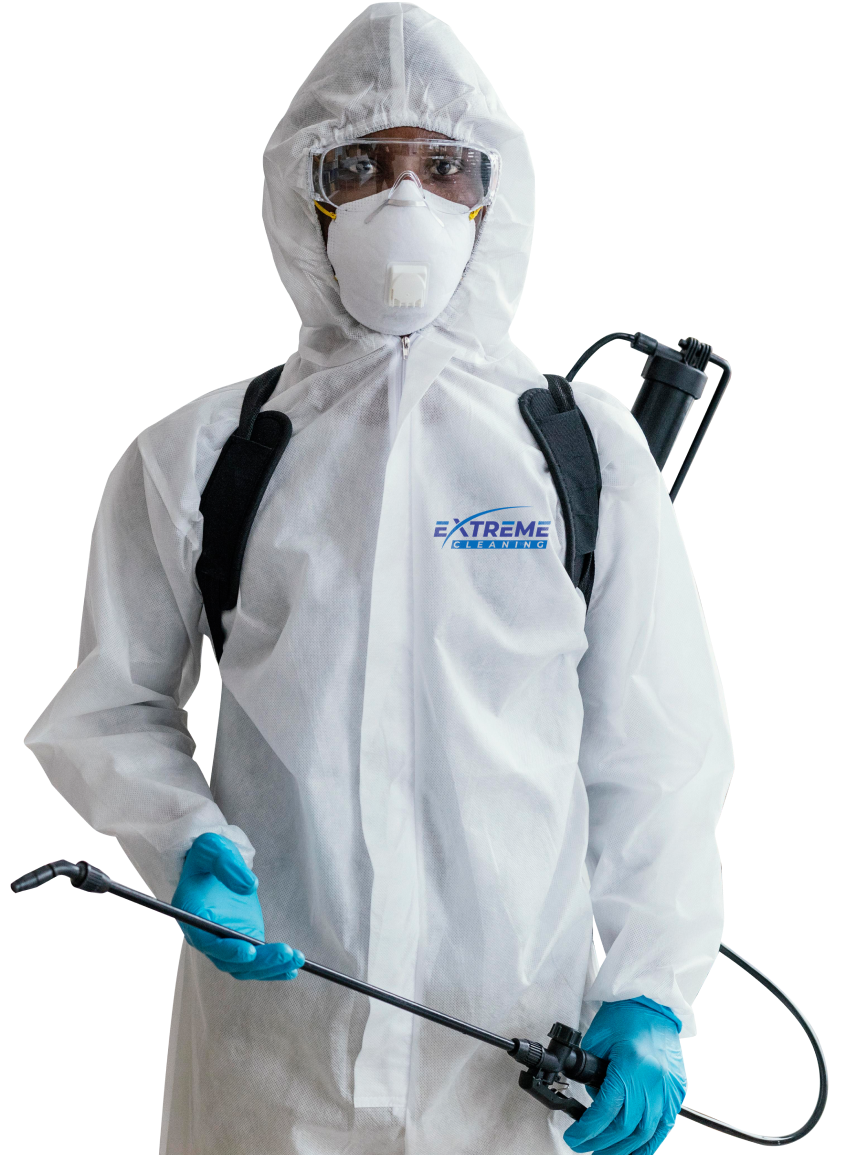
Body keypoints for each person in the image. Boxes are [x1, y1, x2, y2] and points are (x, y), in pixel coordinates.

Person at [23, 4, 734, 1153]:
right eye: (358, 167)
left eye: (445, 168)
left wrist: (653, 992)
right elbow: (113, 704)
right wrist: (187, 843)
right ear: (302, 197)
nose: (404, 201)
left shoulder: (583, 450)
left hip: (509, 1061)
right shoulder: (202, 454)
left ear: (495, 196)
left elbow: (659, 751)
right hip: (275, 1060)